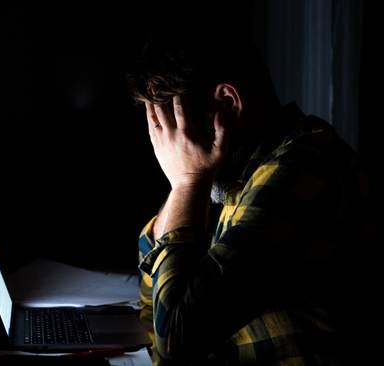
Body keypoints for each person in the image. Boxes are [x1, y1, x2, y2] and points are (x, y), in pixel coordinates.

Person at [126, 28, 382, 365]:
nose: (169, 145)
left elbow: (176, 340)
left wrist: (187, 182)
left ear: (228, 105)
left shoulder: (305, 169)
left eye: (174, 126)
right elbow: (150, 291)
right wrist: (184, 186)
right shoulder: (232, 177)